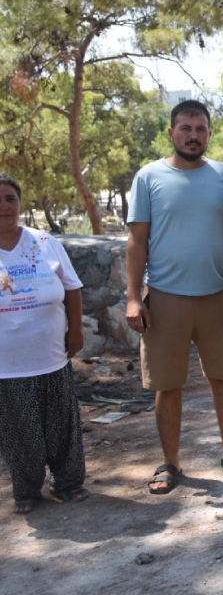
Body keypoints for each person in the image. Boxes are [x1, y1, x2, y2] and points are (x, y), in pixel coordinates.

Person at [126, 100, 223, 495]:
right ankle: (170, 463)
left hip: (216, 294)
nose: (192, 135)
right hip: (165, 298)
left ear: (208, 133)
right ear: (171, 133)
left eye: (200, 128)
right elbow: (136, 241)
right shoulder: (148, 177)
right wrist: (134, 298)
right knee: (167, 385)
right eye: (185, 128)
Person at [0, 173, 87, 514]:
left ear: (19, 203)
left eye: (10, 198)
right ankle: (26, 489)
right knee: (18, 429)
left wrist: (75, 331)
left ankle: (68, 481)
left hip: (52, 354)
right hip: (7, 364)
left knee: (61, 423)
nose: (4, 206)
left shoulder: (44, 241)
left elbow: (72, 287)